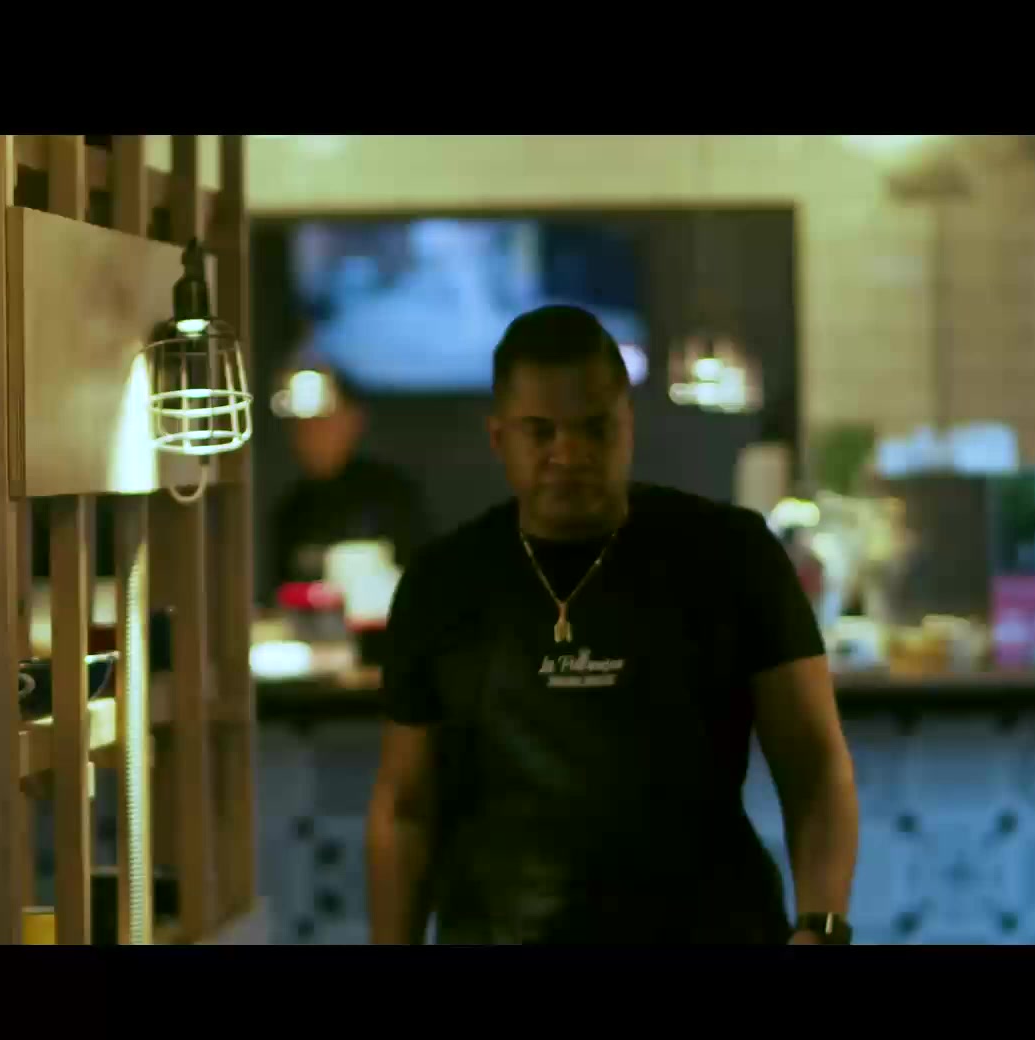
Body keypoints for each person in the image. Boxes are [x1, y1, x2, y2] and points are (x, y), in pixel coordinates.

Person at [366, 304, 860, 945]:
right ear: (499, 437)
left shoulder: (731, 554)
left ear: (629, 426)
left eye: (594, 428)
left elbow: (815, 768)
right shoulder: (443, 582)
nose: (568, 453)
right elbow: (406, 808)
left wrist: (822, 929)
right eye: (541, 432)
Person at [267, 367, 430, 591]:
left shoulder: (392, 497)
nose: (311, 434)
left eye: (322, 422)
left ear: (353, 421)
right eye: (301, 425)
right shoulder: (291, 511)